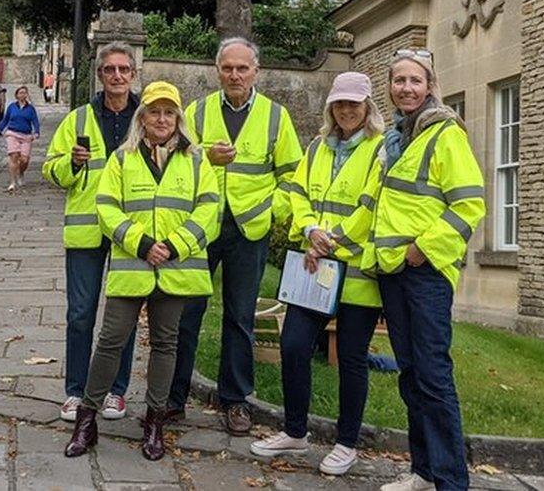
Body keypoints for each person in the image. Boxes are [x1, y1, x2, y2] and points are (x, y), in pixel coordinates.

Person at [64, 81, 219, 461]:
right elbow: (106, 207)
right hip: (133, 265)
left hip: (176, 268)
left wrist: (177, 244)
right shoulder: (121, 158)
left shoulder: (197, 160)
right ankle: (87, 418)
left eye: (169, 112)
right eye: (154, 111)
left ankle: (154, 422)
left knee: (166, 343)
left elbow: (210, 208)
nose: (162, 119)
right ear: (143, 117)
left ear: (178, 119)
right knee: (111, 340)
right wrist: (143, 244)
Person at [248, 72, 386, 476]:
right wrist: (310, 230)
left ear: (367, 107)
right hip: (315, 263)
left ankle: (347, 443)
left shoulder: (381, 150)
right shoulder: (317, 147)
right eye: (339, 104)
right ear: (330, 108)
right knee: (293, 345)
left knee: (351, 357)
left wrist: (334, 238)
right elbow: (299, 192)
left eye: (354, 104)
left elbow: (372, 203)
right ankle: (295, 430)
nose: (346, 110)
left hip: (357, 269)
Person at [166, 37, 303, 436]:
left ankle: (235, 400)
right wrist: (206, 156)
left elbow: (294, 177)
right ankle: (174, 398)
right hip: (201, 226)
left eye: (243, 68)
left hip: (250, 229)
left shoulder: (277, 116)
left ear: (256, 71)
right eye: (228, 68)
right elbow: (177, 160)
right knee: (185, 313)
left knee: (240, 316)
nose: (235, 75)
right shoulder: (198, 111)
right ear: (217, 70)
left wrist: (269, 210)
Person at [368, 50, 486, 491]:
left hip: (425, 273)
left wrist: (422, 249)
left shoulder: (444, 134)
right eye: (399, 81)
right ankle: (423, 471)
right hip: (393, 272)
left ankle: (451, 482)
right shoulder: (396, 138)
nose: (406, 88)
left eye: (415, 81)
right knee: (411, 374)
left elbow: (470, 204)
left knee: (433, 376)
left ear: (429, 85)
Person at [42, 42, 141, 423]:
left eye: (123, 70)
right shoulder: (78, 119)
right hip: (87, 232)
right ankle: (76, 392)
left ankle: (116, 391)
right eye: (109, 70)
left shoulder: (145, 119)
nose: (117, 76)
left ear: (133, 74)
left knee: (124, 318)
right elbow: (51, 171)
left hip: (130, 233)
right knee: (81, 315)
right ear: (100, 75)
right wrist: (70, 163)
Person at [0, 85, 41, 192]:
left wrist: (37, 132)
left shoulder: (30, 109)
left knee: (24, 160)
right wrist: (0, 129)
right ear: (16, 95)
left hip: (26, 135)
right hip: (12, 133)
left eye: (24, 93)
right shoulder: (12, 107)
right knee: (14, 156)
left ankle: (20, 172)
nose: (23, 95)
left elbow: (35, 121)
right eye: (20, 93)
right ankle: (12, 182)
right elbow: (5, 119)